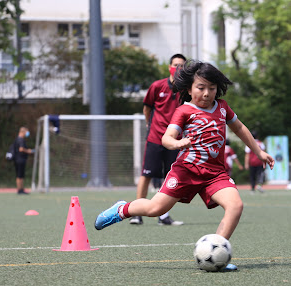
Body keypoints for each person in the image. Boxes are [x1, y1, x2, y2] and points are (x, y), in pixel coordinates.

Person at [94, 60, 275, 271]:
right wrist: (178, 143)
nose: (207, 93)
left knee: (235, 206)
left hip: (215, 174)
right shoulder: (184, 110)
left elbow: (240, 128)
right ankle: (122, 209)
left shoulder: (223, 107)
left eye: (212, 88)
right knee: (155, 208)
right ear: (189, 89)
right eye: (201, 88)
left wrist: (258, 151)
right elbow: (167, 138)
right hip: (186, 171)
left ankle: (216, 253)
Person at [130, 53, 187, 226]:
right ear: (169, 66)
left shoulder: (187, 90)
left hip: (174, 140)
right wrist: (149, 124)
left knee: (170, 177)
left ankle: (163, 215)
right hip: (155, 138)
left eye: (182, 66)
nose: (178, 69)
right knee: (146, 175)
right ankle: (136, 213)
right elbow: (147, 108)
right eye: (175, 65)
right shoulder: (157, 86)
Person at [14, 127, 34, 194]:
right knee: (20, 175)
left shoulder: (16, 139)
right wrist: (28, 151)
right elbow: (21, 149)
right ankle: (20, 190)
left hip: (17, 159)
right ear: (23, 132)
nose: (27, 134)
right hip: (20, 160)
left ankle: (20, 189)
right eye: (26, 132)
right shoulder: (21, 140)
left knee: (19, 175)